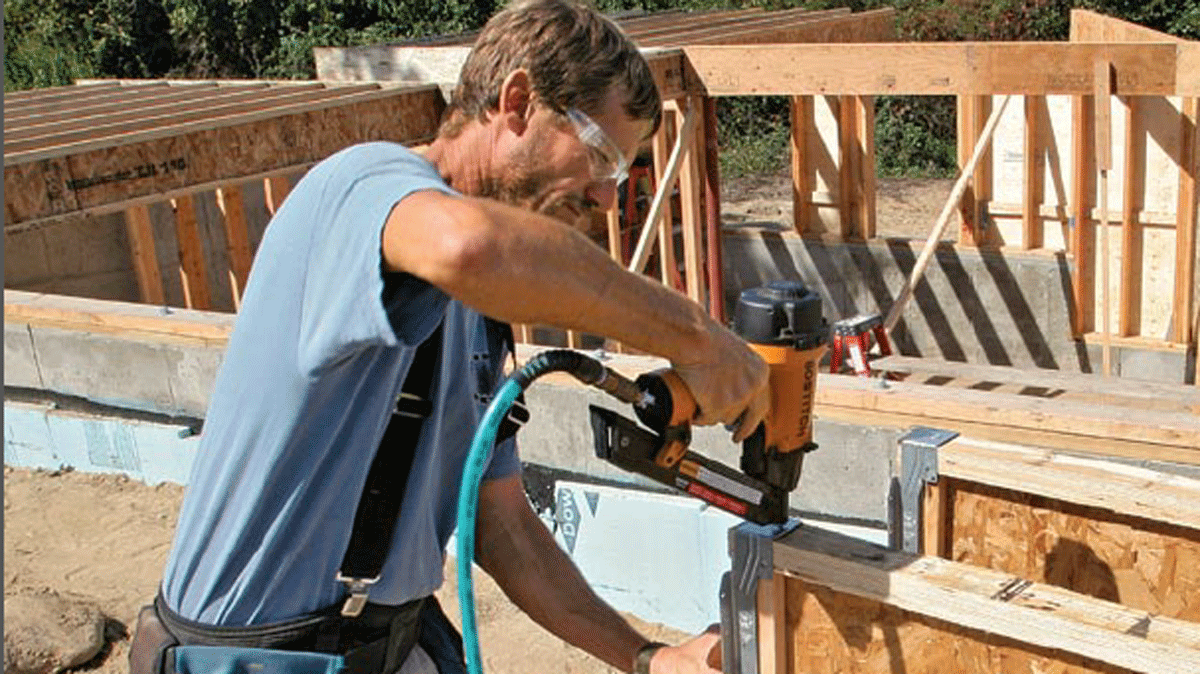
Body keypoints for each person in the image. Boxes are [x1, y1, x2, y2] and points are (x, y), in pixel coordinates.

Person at [130, 1, 770, 673]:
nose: (608, 199)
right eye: (601, 156)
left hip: (383, 643)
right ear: (517, 101)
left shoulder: (479, 316)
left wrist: (646, 657)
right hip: (255, 656)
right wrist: (700, 338)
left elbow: (503, 526)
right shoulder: (361, 187)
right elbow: (468, 246)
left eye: (620, 174)